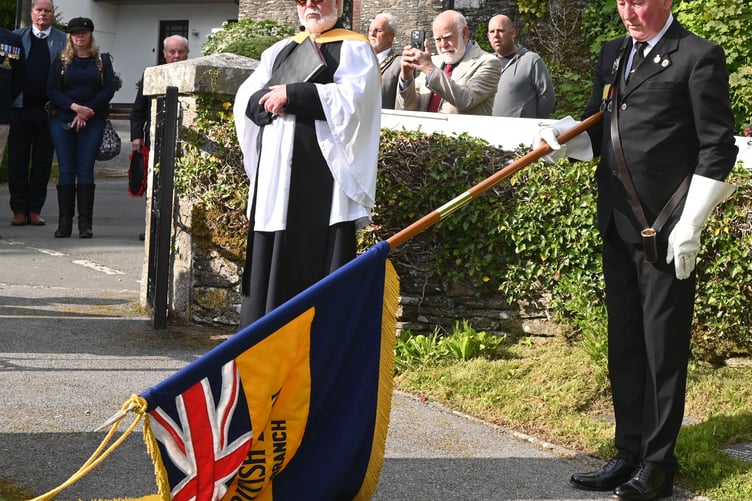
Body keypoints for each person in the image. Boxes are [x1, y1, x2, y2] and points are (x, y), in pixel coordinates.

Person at [535, 1, 738, 499]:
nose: (628, 10)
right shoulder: (614, 53)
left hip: (666, 228)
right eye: (622, 1)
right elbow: (599, 131)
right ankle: (626, 451)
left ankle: (658, 463)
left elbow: (719, 145)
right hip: (618, 220)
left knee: (662, 348)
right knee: (625, 341)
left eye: (638, 1)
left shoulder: (696, 55)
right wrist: (566, 138)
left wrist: (692, 221)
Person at [232, 0, 381, 328]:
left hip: (321, 188)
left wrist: (293, 93)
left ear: (339, 3)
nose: (311, 4)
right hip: (274, 186)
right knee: (265, 288)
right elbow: (247, 98)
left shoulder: (353, 49)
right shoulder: (281, 51)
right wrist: (265, 100)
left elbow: (356, 103)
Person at [46, 17, 115, 239]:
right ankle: (64, 224)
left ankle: (85, 225)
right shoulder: (61, 59)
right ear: (69, 36)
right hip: (63, 118)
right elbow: (52, 90)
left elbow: (108, 90)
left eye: (83, 33)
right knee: (66, 169)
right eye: (74, 33)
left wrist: (88, 111)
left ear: (90, 35)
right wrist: (75, 107)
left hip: (92, 119)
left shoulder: (102, 60)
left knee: (85, 169)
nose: (79, 36)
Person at [8, 0, 66, 226]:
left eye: (47, 10)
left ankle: (34, 209)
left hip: (49, 112)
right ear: (32, 13)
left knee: (42, 164)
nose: (43, 14)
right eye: (39, 10)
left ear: (53, 14)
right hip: (19, 109)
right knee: (17, 162)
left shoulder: (63, 40)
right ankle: (19, 210)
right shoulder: (15, 37)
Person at [396, 10, 500, 115]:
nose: (443, 45)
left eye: (447, 38)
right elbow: (409, 107)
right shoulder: (434, 61)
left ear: (464, 34)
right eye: (438, 39)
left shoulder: (488, 62)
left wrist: (429, 69)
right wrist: (407, 77)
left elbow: (467, 99)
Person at [487, 14, 555, 119]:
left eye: (500, 31)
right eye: (492, 32)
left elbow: (547, 97)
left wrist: (534, 124)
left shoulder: (531, 61)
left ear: (512, 33)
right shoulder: (486, 63)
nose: (496, 35)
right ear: (488, 36)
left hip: (523, 132)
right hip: (490, 131)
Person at [130, 34, 189, 151]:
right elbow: (139, 109)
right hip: (155, 136)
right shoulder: (151, 75)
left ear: (187, 52)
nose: (176, 56)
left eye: (181, 51)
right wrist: (137, 136)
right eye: (172, 52)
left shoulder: (193, 76)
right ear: (164, 53)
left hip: (185, 137)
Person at [368, 12, 400, 109]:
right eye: (370, 30)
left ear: (391, 36)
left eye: (378, 31)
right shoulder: (361, 60)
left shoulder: (399, 63)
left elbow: (402, 102)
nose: (372, 34)